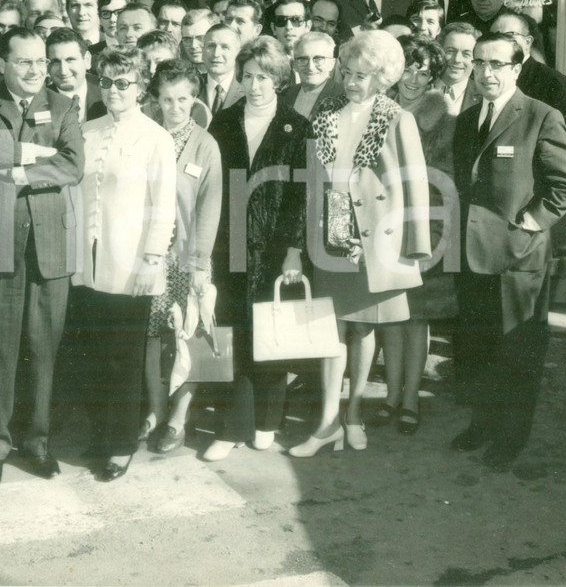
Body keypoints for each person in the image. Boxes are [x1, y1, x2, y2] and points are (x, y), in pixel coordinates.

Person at [289, 30, 430, 458]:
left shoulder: (396, 117)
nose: (352, 83)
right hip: (330, 228)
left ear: (383, 77)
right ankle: (328, 422)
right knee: (332, 328)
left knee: (364, 326)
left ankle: (353, 414)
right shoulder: (326, 110)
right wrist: (299, 241)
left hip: (375, 235)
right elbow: (311, 183)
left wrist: (414, 247)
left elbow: (416, 182)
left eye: (363, 75)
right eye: (347, 73)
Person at [0, 28, 84, 489]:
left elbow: (72, 165)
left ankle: (38, 442)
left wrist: (14, 170)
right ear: (2, 63)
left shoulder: (65, 104)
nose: (35, 70)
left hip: (50, 246)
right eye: (25, 62)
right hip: (0, 241)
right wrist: (33, 153)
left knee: (43, 349)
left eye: (40, 62)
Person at [450, 34, 566, 471]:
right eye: (479, 63)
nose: (486, 73)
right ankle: (483, 424)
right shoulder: (469, 118)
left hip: (519, 259)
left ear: (517, 67)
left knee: (517, 351)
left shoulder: (542, 116)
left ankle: (511, 438)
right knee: (480, 347)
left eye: (497, 65)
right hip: (473, 254)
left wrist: (529, 223)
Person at [202, 36, 312, 461]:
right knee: (231, 334)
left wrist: (294, 249)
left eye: (264, 77)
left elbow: (304, 196)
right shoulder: (223, 122)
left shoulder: (296, 127)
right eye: (248, 76)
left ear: (280, 79)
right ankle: (231, 428)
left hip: (274, 249)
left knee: (271, 334)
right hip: (226, 245)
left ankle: (267, 421)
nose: (255, 85)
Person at [70, 46, 176, 481]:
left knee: (124, 356)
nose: (113, 90)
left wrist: (152, 258)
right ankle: (100, 433)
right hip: (87, 260)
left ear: (140, 87)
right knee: (93, 352)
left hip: (131, 260)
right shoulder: (86, 130)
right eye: (107, 81)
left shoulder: (155, 137)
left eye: (123, 83)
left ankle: (120, 443)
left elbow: (163, 205)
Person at [372, 35, 455, 435]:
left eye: (425, 71)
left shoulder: (444, 121)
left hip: (421, 227)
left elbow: (443, 184)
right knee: (389, 313)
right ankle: (389, 395)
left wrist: (432, 235)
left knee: (416, 317)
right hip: (380, 224)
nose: (415, 78)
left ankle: (410, 400)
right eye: (409, 67)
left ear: (434, 77)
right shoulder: (378, 108)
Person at [141, 60, 223, 454]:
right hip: (150, 254)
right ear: (156, 99)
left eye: (183, 99)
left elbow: (211, 206)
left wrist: (200, 264)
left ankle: (179, 418)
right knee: (152, 336)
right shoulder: (146, 136)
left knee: (189, 334)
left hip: (189, 256)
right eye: (167, 99)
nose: (175, 107)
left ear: (195, 99)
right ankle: (156, 411)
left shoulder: (205, 144)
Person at [490, 11, 566, 155]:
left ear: (527, 43)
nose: (501, 43)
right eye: (495, 37)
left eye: (510, 36)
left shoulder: (553, 82)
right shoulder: (487, 78)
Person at [281, 31, 344, 120]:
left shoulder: (342, 98)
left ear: (332, 63)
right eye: (303, 59)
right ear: (295, 64)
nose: (310, 67)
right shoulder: (285, 95)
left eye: (318, 59)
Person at [46, 27, 103, 123]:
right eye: (55, 61)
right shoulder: (38, 102)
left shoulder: (106, 92)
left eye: (70, 60)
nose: (63, 71)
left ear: (87, 60)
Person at [436, 22, 482, 116]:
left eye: (466, 54)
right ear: (440, 51)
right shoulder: (419, 87)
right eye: (451, 51)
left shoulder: (484, 96)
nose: (457, 59)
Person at [200, 24, 244, 115]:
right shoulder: (191, 86)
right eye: (211, 46)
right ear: (202, 50)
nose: (216, 54)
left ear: (238, 52)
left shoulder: (246, 90)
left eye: (225, 47)